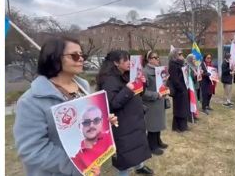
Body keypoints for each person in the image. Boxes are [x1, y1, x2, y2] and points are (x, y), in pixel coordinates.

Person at [14, 36, 99, 175]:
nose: (81, 59)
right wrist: (77, 165)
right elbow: (32, 149)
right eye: (74, 56)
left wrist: (102, 120)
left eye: (82, 55)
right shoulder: (30, 101)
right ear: (54, 58)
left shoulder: (83, 86)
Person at [97, 50, 153, 175]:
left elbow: (139, 93)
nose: (129, 62)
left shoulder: (128, 74)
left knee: (137, 146)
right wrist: (127, 89)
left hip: (134, 119)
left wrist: (142, 83)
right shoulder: (109, 80)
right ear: (116, 63)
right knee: (125, 156)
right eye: (125, 60)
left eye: (129, 59)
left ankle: (139, 166)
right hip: (123, 124)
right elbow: (112, 104)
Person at [71, 104, 112, 171]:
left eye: (96, 120)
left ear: (101, 122)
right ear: (79, 126)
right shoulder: (76, 160)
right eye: (86, 122)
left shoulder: (111, 136)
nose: (91, 125)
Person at [142, 51, 168, 155]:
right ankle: (152, 146)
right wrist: (156, 95)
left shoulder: (160, 70)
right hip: (151, 103)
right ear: (149, 59)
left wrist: (166, 88)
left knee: (159, 123)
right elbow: (142, 92)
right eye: (155, 57)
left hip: (159, 101)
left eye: (158, 57)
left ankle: (158, 141)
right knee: (152, 125)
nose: (157, 59)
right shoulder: (145, 72)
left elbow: (162, 84)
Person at [168, 51, 190, 132]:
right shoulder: (173, 65)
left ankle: (183, 125)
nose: (182, 56)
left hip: (184, 87)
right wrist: (180, 88)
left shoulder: (182, 64)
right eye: (179, 54)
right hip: (178, 89)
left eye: (181, 54)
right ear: (174, 56)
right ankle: (177, 126)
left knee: (184, 107)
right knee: (178, 108)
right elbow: (175, 79)